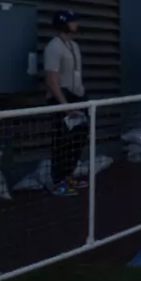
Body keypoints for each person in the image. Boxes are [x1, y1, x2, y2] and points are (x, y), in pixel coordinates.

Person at [43, 10, 89, 196]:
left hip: (77, 95)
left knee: (77, 137)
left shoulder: (74, 46)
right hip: (62, 98)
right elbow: (51, 78)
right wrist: (64, 105)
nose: (75, 24)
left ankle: (68, 174)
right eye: (72, 21)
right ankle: (58, 181)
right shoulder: (53, 47)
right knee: (61, 140)